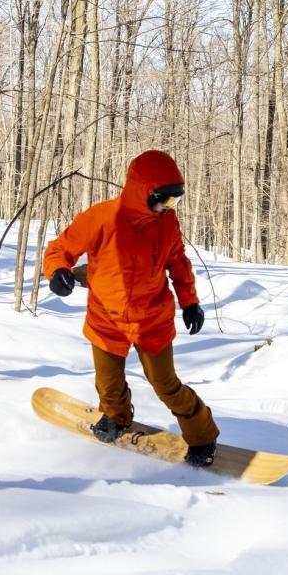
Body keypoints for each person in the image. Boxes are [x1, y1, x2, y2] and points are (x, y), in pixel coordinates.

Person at [43, 150, 218, 467]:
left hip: (152, 319)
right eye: (164, 201)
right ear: (144, 192)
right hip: (106, 319)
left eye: (174, 202)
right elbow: (59, 249)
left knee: (167, 386)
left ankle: (204, 437)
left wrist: (190, 301)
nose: (168, 208)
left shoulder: (166, 224)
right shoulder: (102, 218)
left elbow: (177, 262)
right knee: (109, 385)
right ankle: (116, 418)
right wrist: (57, 272)